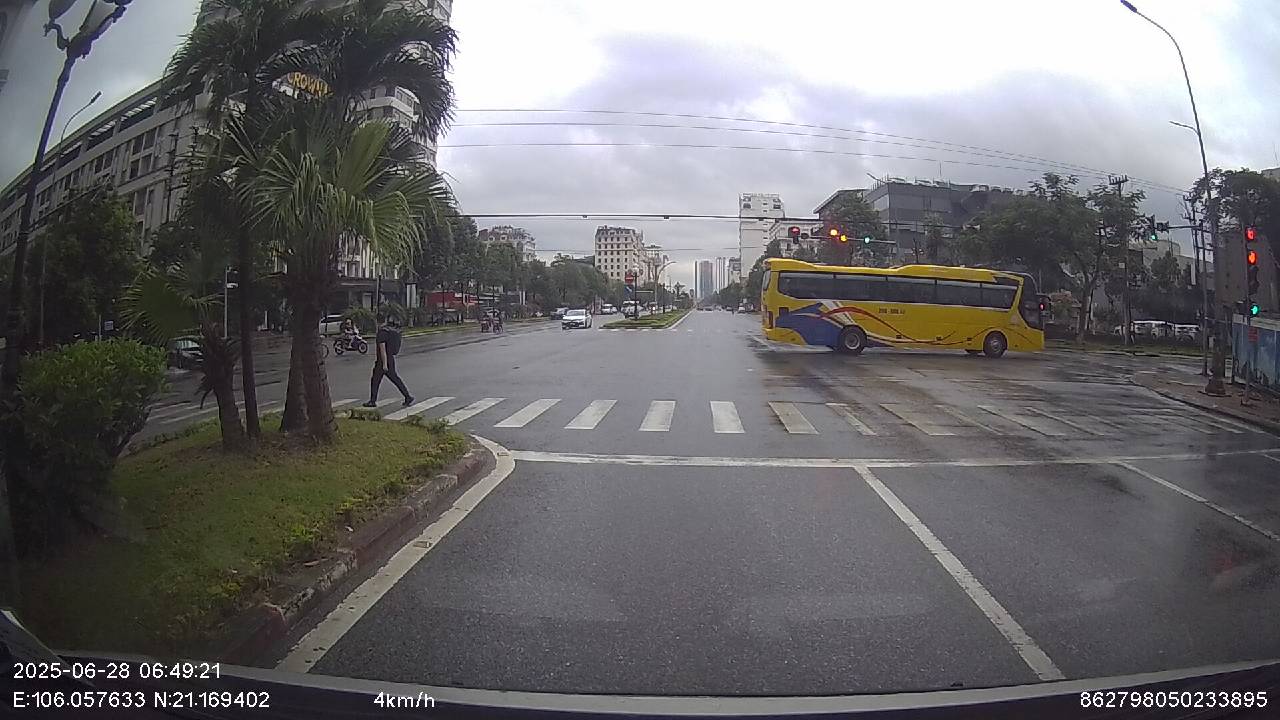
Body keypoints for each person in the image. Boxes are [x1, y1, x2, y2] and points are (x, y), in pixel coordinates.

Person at [363, 312, 413, 407]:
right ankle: (407, 396)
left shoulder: (382, 333)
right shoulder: (388, 331)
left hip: (383, 361)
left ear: (376, 321)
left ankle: (372, 401)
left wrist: (384, 364)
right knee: (395, 379)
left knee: (375, 380)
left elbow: (383, 349)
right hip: (390, 358)